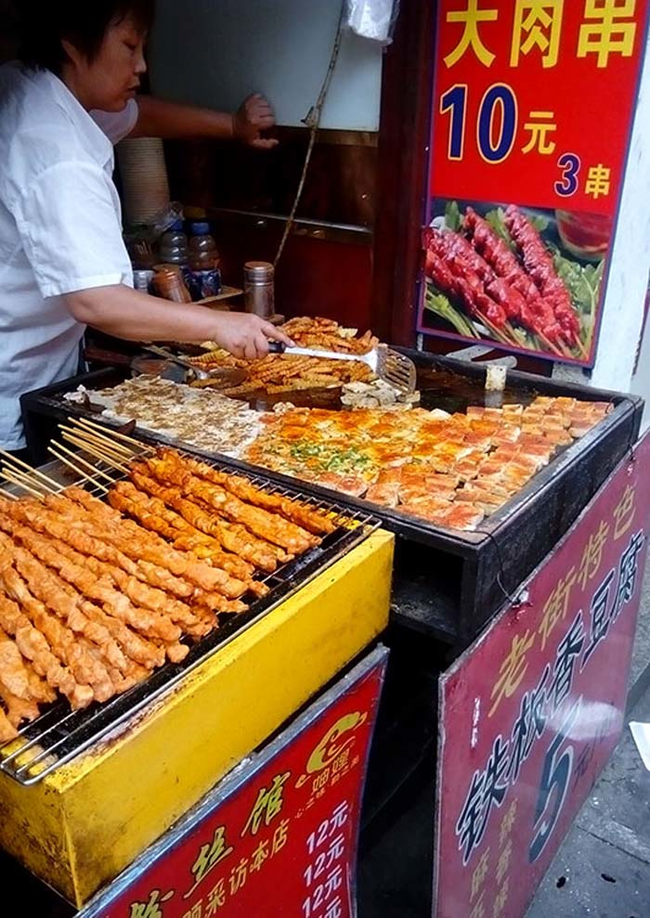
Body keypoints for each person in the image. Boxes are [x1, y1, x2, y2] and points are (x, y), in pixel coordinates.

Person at [0, 0, 291, 456]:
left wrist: (232, 127)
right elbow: (97, 302)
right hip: (14, 386)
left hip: (37, 362)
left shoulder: (35, 84)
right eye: (130, 46)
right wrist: (217, 326)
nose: (141, 66)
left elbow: (139, 115)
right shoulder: (58, 155)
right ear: (73, 45)